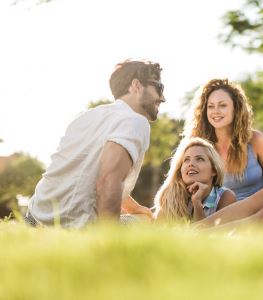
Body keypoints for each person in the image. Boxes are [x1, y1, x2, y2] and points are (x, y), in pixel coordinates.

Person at [25, 59, 165, 228]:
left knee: (140, 215)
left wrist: (135, 208)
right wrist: (108, 240)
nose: (163, 98)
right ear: (136, 85)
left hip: (33, 218)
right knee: (146, 222)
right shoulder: (135, 121)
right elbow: (108, 180)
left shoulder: (86, 117)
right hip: (71, 228)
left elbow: (86, 177)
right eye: (159, 87)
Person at [184, 78, 263, 200]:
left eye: (222, 105)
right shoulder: (199, 147)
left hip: (260, 210)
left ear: (235, 108)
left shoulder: (255, 139)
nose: (215, 111)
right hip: (221, 215)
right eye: (211, 106)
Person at [154, 137, 236, 222]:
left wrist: (197, 203)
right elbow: (156, 232)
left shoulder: (225, 196)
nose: (191, 164)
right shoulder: (172, 196)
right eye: (186, 160)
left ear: (214, 170)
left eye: (199, 159)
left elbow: (206, 233)